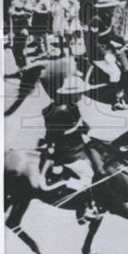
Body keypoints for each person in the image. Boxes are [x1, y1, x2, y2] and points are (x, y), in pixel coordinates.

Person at [38, 75, 103, 224]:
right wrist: (82, 135)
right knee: (88, 174)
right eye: (79, 92)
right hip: (67, 151)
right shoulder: (60, 111)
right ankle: (84, 210)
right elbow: (55, 137)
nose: (82, 95)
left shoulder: (71, 106)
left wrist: (86, 132)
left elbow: (81, 124)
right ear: (71, 93)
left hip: (76, 144)